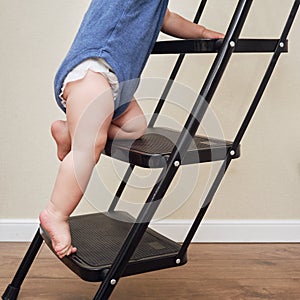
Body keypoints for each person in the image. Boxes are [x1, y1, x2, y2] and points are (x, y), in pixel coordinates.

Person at [39, 0, 224, 259]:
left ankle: (68, 131)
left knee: (135, 128)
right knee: (88, 149)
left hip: (118, 85)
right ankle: (56, 213)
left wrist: (202, 32)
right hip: (94, 72)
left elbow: (167, 18)